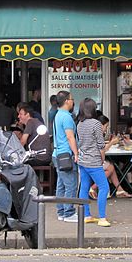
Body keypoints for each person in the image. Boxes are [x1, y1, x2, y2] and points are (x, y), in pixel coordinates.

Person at [76, 98, 113, 227]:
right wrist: (102, 158)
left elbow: (80, 142)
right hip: (94, 161)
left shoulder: (80, 123)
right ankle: (102, 217)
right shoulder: (96, 124)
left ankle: (86, 215)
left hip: (82, 160)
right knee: (104, 187)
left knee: (84, 187)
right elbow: (101, 144)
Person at [88, 114, 131, 199]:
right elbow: (101, 150)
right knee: (110, 167)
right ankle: (93, 188)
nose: (106, 129)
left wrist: (109, 142)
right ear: (100, 125)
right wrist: (111, 143)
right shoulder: (97, 134)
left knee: (111, 166)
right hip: (93, 160)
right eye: (106, 126)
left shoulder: (94, 132)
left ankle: (119, 190)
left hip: (92, 158)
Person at [52, 90, 79, 223]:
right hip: (66, 154)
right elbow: (70, 137)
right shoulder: (67, 117)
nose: (73, 102)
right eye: (72, 99)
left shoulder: (57, 115)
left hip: (57, 154)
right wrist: (76, 153)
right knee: (71, 184)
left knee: (61, 185)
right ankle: (69, 212)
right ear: (67, 101)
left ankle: (61, 211)